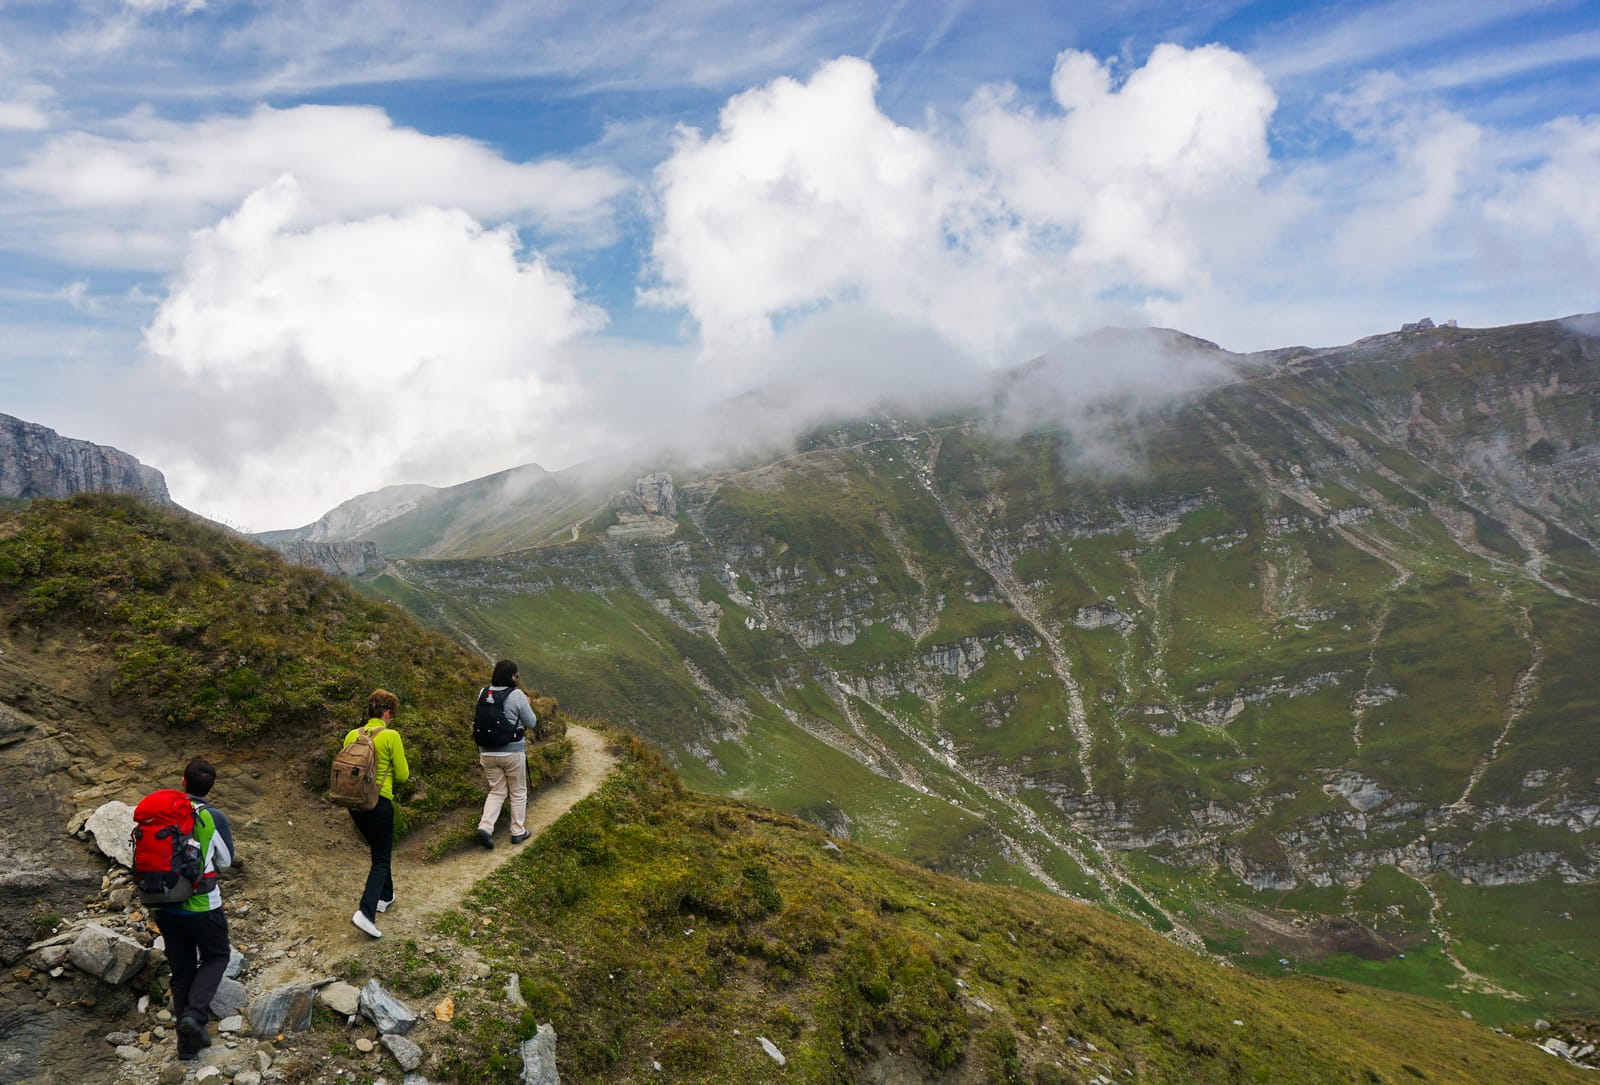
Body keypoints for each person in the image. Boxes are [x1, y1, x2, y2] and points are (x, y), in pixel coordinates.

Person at [152, 757, 235, 1063]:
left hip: (163, 905)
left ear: (183, 782)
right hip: (202, 906)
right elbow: (225, 861)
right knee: (216, 956)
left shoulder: (160, 813)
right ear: (210, 788)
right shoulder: (212, 817)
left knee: (182, 970)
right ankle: (195, 1016)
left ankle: (185, 1048)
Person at [343, 689, 410, 938]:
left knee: (379, 850)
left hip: (354, 804)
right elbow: (403, 775)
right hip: (379, 803)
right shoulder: (391, 736)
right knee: (381, 858)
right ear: (387, 712)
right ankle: (366, 912)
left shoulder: (352, 735)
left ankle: (385, 896)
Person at [474, 659, 540, 849]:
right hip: (512, 751)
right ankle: (518, 831)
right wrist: (527, 704)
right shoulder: (517, 695)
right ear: (512, 676)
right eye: (516, 675)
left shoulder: (483, 692)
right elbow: (532, 722)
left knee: (497, 790)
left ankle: (485, 827)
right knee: (518, 791)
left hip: (486, 752)